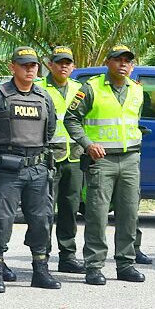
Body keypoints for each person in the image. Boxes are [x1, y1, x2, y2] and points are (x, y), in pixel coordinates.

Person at [0, 47, 60, 292]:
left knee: (42, 219)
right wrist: (1, 151)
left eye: (33, 65)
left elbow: (49, 129)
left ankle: (40, 270)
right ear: (12, 67)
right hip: (8, 169)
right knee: (0, 219)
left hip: (38, 168)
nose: (30, 69)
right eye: (24, 65)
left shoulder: (43, 97)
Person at [64, 44, 146, 285]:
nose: (123, 64)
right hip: (102, 160)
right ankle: (94, 265)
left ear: (132, 66)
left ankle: (125, 263)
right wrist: (88, 144)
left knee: (129, 214)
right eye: (118, 60)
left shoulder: (138, 90)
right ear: (108, 62)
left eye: (127, 61)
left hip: (131, 158)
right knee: (97, 214)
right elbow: (71, 119)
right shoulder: (91, 88)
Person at [41, 47, 87, 274]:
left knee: (70, 209)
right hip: (48, 157)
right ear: (50, 64)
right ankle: (41, 256)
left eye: (68, 63)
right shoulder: (40, 88)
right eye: (59, 62)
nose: (64, 66)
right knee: (44, 209)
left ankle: (67, 256)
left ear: (74, 66)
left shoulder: (80, 89)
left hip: (75, 158)